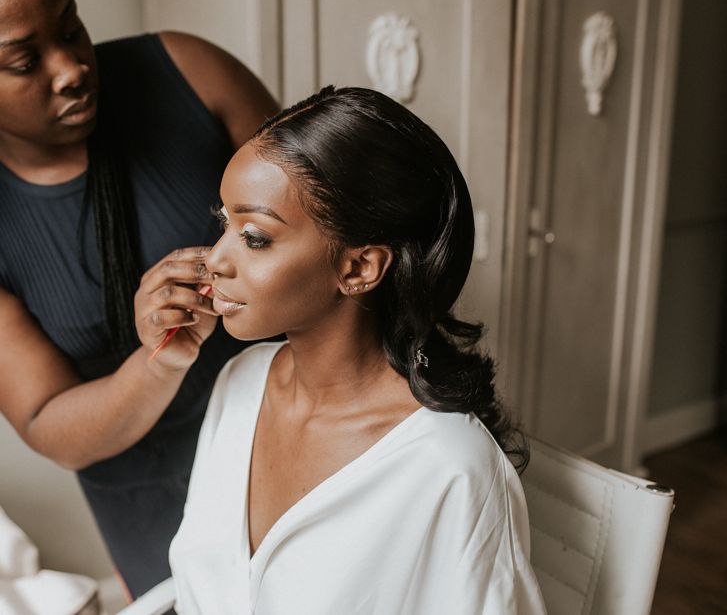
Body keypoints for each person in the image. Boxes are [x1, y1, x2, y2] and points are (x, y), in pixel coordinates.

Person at [154, 86, 546, 613]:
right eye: (225, 222)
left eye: (254, 237)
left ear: (358, 268)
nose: (215, 259)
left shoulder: (452, 469)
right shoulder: (241, 382)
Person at [0, 0, 278, 600]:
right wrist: (159, 361)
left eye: (71, 29)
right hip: (150, 501)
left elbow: (325, 211)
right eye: (23, 60)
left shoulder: (186, 70)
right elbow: (46, 418)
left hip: (291, 426)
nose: (71, 69)